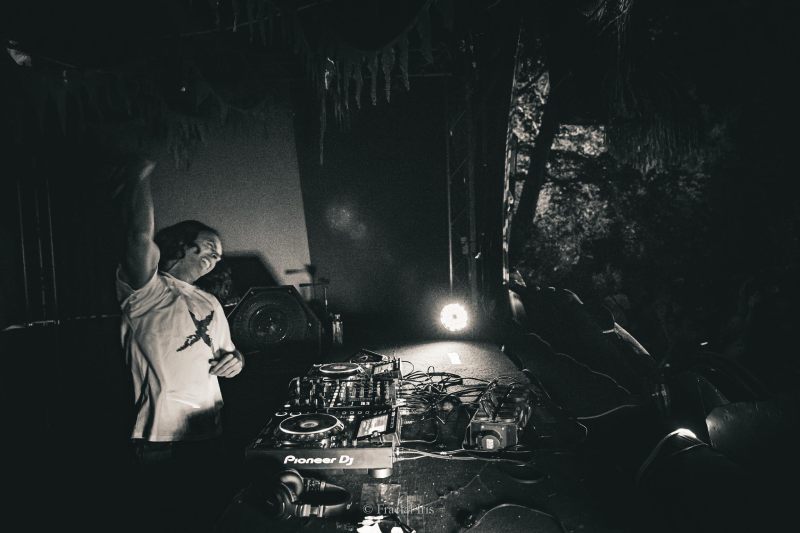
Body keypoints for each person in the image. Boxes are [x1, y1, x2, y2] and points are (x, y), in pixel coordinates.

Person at [115, 158, 245, 532]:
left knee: (213, 519)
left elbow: (230, 356)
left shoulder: (210, 302)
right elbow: (138, 238)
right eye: (208, 246)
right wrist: (138, 175)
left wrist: (237, 360)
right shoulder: (146, 291)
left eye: (219, 254)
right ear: (182, 246)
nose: (215, 256)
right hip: (162, 441)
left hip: (211, 434)